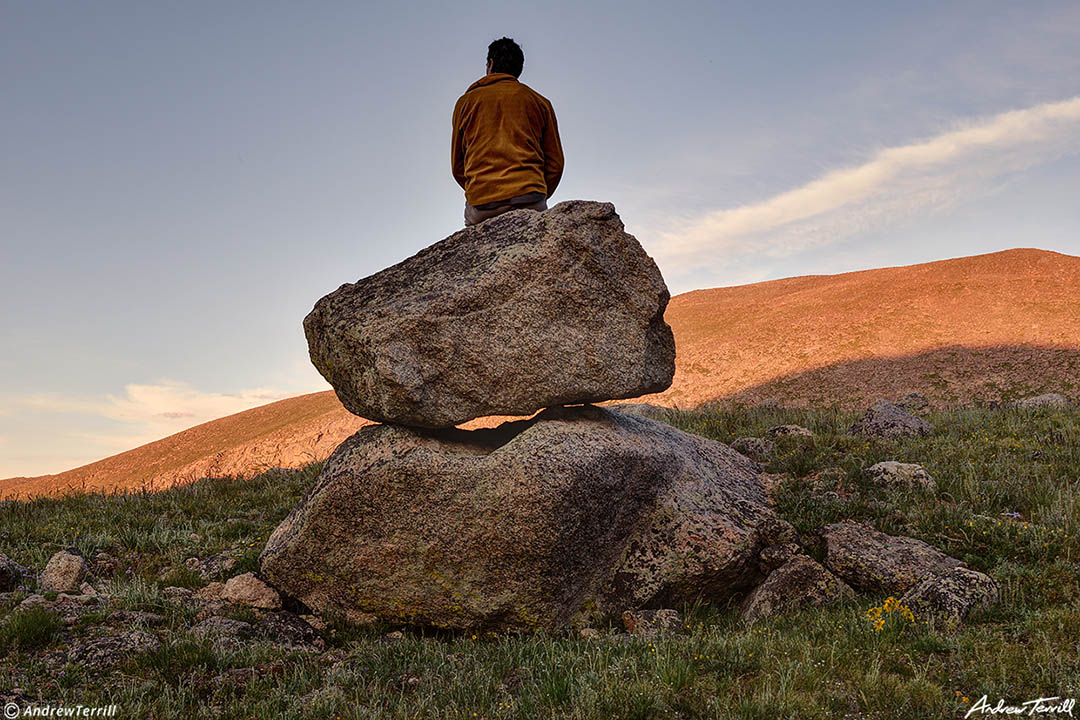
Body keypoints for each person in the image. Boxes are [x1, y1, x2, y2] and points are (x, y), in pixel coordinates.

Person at [452, 37, 564, 226]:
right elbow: (555, 164)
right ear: (518, 69)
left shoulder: (465, 103)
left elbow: (457, 166)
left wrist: (483, 189)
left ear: (491, 64)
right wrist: (535, 191)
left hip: (482, 205)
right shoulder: (539, 102)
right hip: (530, 200)